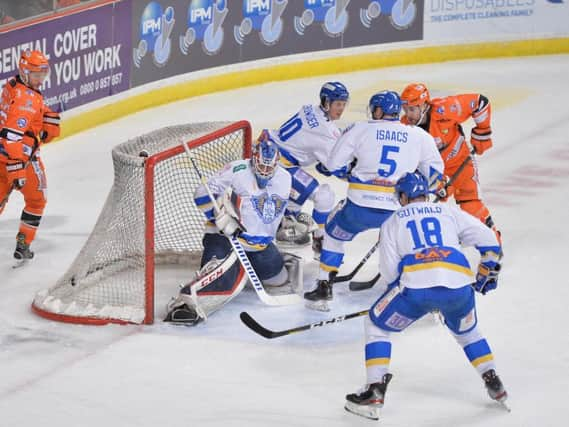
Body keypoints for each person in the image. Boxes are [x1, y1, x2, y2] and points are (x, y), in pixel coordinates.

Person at [344, 172, 506, 421]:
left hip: (415, 290)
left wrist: (418, 295)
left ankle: (374, 390)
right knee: (468, 333)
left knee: (376, 324)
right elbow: (489, 240)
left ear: (403, 197)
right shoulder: (447, 212)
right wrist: (488, 271)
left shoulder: (393, 220)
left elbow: (389, 273)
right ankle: (493, 380)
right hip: (459, 288)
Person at [304, 90, 444, 310]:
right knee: (414, 244)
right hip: (399, 210)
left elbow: (332, 164)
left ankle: (324, 287)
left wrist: (350, 169)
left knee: (332, 233)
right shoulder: (419, 135)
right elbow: (436, 176)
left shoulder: (359, 129)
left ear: (378, 111)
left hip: (359, 208)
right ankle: (430, 293)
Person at [164, 138, 301, 325]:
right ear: (254, 159)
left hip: (259, 246)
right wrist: (219, 217)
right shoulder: (237, 170)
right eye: (262, 166)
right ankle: (186, 304)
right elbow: (202, 194)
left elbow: (277, 211)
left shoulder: (285, 178)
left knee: (279, 281)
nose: (265, 171)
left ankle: (246, 271)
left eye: (270, 168)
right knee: (220, 280)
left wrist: (289, 222)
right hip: (226, 239)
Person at [400, 83, 501, 242]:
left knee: (471, 205)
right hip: (431, 172)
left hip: (460, 163)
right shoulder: (404, 127)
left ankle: (492, 243)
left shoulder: (446, 108)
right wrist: (436, 183)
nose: (408, 114)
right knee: (420, 208)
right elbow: (410, 162)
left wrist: (482, 132)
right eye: (405, 109)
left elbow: (480, 103)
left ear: (425, 105)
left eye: (412, 109)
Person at [263, 81, 349, 254]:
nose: (341, 109)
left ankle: (284, 225)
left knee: (295, 200)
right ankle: (321, 239)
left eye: (343, 105)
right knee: (324, 195)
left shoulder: (309, 108)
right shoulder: (326, 130)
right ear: (326, 103)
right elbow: (337, 168)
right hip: (278, 165)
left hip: (267, 152)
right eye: (338, 104)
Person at [0, 50, 61, 263]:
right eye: (36, 74)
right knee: (37, 201)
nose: (40, 78)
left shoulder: (13, 85)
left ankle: (23, 244)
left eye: (43, 73)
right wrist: (16, 165)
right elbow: (11, 134)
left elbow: (23, 111)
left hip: (4, 155)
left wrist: (47, 115)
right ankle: (23, 243)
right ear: (25, 72)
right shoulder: (28, 99)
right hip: (20, 158)